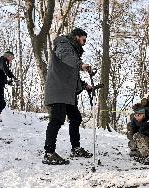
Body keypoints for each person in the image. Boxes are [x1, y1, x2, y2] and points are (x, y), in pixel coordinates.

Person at [42, 28, 94, 165]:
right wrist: (81, 65)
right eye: (83, 40)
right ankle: (49, 153)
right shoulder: (63, 45)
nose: (84, 43)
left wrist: (84, 85)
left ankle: (76, 148)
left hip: (68, 93)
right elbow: (66, 57)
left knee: (76, 118)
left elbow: (72, 75)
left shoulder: (73, 50)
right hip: (58, 90)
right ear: (76, 37)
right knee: (57, 120)